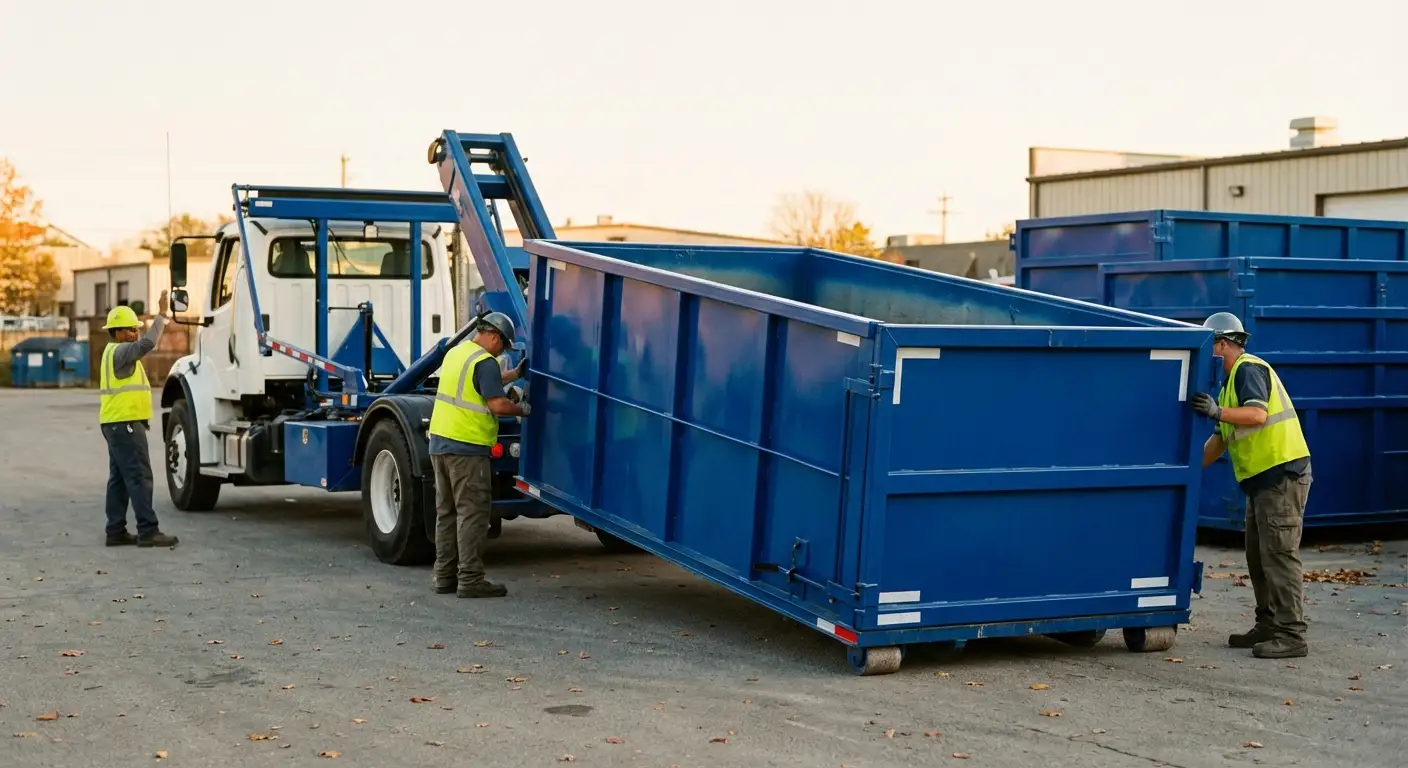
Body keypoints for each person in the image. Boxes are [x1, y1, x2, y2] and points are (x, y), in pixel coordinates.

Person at [1190, 312, 1311, 659]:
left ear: (1223, 343)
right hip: (1261, 481)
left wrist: (1218, 413)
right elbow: (1219, 442)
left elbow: (1256, 415)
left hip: (1281, 475)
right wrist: (1185, 472)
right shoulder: (1228, 383)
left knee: (1279, 557)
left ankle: (1291, 634)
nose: (1206, 354)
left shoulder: (1247, 369)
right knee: (1259, 558)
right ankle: (1269, 624)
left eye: (1208, 346)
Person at [426, 312, 529, 598]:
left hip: (440, 443)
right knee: (472, 514)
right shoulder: (485, 362)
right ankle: (470, 579)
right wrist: (523, 409)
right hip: (467, 449)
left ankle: (444, 577)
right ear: (494, 337)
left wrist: (515, 374)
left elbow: (483, 383)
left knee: (446, 513)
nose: (503, 352)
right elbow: (496, 402)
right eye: (504, 346)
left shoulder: (458, 354)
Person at [100, 293, 180, 548]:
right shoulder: (122, 351)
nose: (134, 333)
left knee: (120, 478)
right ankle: (148, 530)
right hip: (125, 424)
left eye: (136, 328)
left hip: (115, 424)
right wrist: (162, 316)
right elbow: (147, 344)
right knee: (139, 477)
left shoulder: (111, 351)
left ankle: (115, 531)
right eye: (129, 329)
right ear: (116, 332)